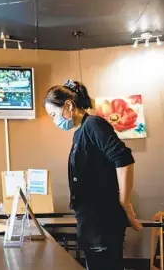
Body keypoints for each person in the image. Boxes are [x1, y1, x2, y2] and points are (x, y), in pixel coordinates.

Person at [43, 79, 143, 270]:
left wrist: (125, 203)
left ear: (68, 105)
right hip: (90, 219)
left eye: (53, 114)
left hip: (102, 219)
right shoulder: (79, 133)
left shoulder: (93, 125)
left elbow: (124, 159)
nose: (54, 120)